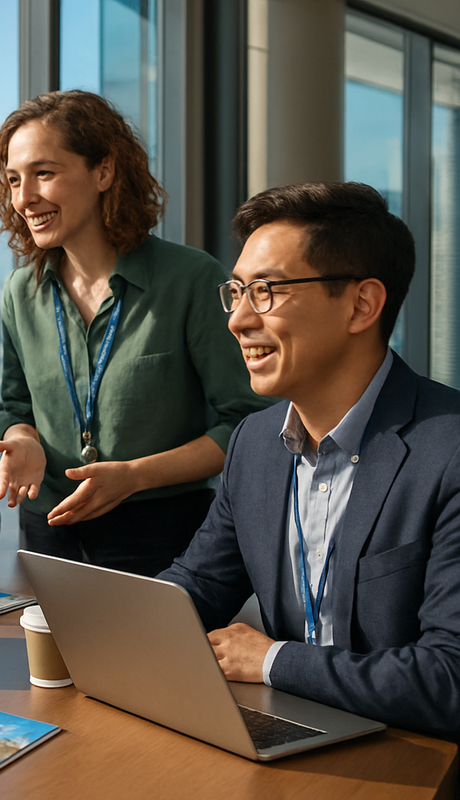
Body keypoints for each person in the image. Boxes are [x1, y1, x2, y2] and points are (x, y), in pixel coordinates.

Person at [158, 181, 460, 739]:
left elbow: (450, 679)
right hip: (290, 739)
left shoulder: (449, 450)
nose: (238, 320)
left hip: (410, 758)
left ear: (361, 305)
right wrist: (91, 622)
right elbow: (194, 587)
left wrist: (271, 661)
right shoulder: (253, 442)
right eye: (238, 292)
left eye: (267, 291)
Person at [0, 90, 267, 576]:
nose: (24, 197)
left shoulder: (192, 279)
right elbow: (15, 405)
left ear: (104, 172)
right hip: (48, 530)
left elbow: (244, 424)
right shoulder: (19, 292)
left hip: (164, 534)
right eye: (13, 180)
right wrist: (22, 437)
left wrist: (134, 476)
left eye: (44, 173)